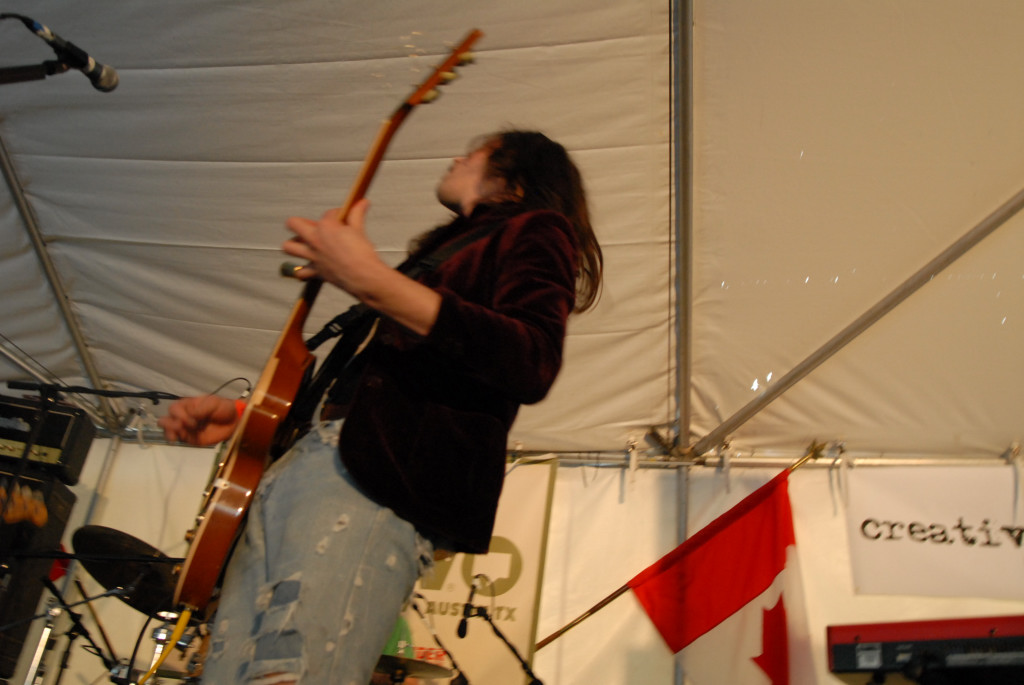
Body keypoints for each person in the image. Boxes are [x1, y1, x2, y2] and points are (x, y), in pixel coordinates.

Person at [159, 129, 603, 685]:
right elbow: (371, 383)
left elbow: (531, 358)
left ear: (514, 179)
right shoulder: (446, 252)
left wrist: (370, 279)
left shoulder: (539, 229)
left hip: (373, 479)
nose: (457, 156)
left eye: (476, 151)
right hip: (306, 469)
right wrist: (254, 421)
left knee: (293, 672)